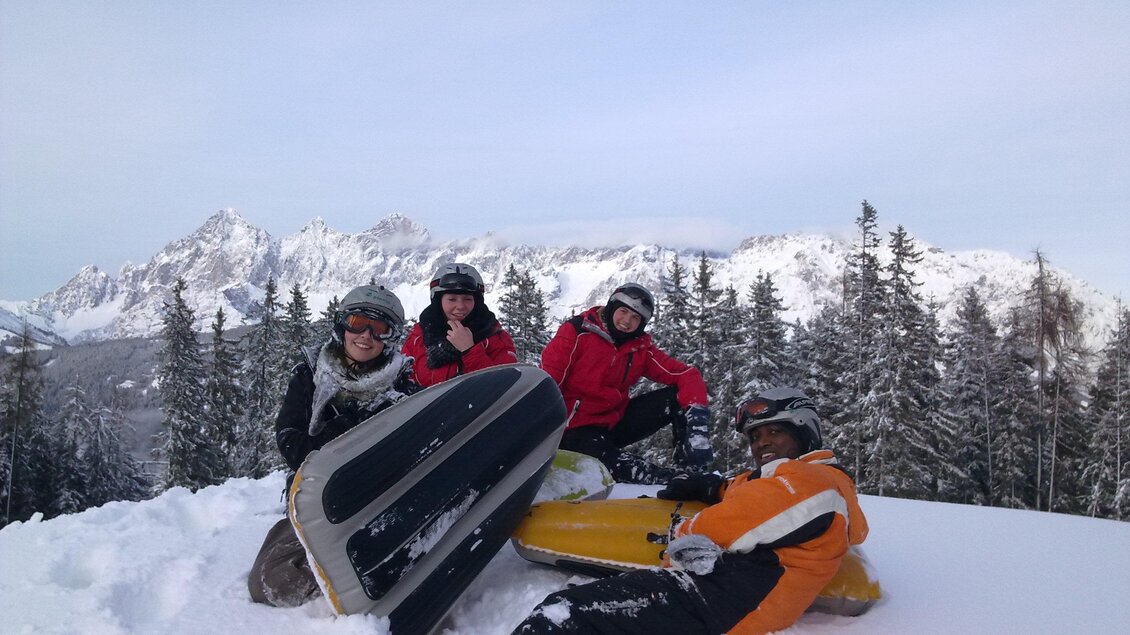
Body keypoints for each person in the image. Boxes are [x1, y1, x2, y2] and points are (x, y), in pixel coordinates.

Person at [512, 387, 869, 635]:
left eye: (774, 431)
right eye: (756, 437)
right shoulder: (811, 482)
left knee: (561, 616)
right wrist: (713, 488)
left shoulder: (812, 481)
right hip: (730, 594)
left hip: (723, 600)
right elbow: (762, 497)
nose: (763, 444)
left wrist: (682, 532)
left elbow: (739, 521)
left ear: (805, 432)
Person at [247, 284, 419, 607]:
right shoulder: (311, 372)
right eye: (357, 324)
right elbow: (289, 438)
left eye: (380, 329)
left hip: (377, 501)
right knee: (267, 582)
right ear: (342, 325)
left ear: (391, 337)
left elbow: (407, 454)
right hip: (318, 500)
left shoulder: (403, 384)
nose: (366, 336)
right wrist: (334, 438)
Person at [540, 282, 713, 484]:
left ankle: (691, 468)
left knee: (675, 397)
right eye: (623, 311)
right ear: (612, 306)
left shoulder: (639, 347)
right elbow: (548, 382)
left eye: (635, 318)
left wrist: (697, 417)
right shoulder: (578, 332)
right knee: (616, 466)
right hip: (572, 430)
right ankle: (666, 480)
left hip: (613, 423)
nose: (627, 321)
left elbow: (686, 374)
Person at [401, 262, 517, 388]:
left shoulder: (495, 337)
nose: (461, 306)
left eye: (468, 299)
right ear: (438, 301)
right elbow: (403, 382)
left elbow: (504, 387)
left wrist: (470, 350)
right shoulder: (419, 337)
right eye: (452, 299)